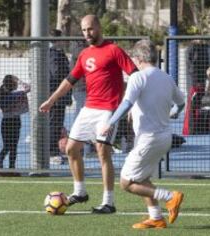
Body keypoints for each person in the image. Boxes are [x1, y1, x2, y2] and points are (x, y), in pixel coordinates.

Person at [39, 15, 137, 214]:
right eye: (84, 30)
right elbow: (69, 80)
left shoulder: (114, 50)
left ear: (99, 27)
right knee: (71, 149)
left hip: (108, 110)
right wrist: (51, 100)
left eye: (90, 29)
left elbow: (135, 75)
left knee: (102, 151)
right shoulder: (84, 54)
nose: (87, 34)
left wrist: (131, 105)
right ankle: (80, 192)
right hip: (89, 109)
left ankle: (108, 202)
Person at [100, 39, 185, 229]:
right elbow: (181, 102)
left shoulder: (138, 77)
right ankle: (156, 217)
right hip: (164, 138)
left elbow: (127, 103)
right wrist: (175, 113)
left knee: (126, 182)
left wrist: (110, 123)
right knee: (142, 178)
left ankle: (170, 197)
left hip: (149, 138)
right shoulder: (166, 77)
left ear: (138, 58)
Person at [0, 75, 30, 169]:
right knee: (10, 146)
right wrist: (20, 81)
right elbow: (28, 88)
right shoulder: (12, 95)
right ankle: (1, 163)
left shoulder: (5, 94)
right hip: (12, 121)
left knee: (11, 146)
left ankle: (10, 166)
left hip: (9, 121)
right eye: (15, 83)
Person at [49, 29, 72, 163]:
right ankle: (51, 153)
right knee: (53, 123)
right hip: (55, 95)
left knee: (58, 124)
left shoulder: (59, 54)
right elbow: (56, 73)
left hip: (61, 95)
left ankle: (55, 150)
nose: (64, 41)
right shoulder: (53, 54)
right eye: (61, 39)